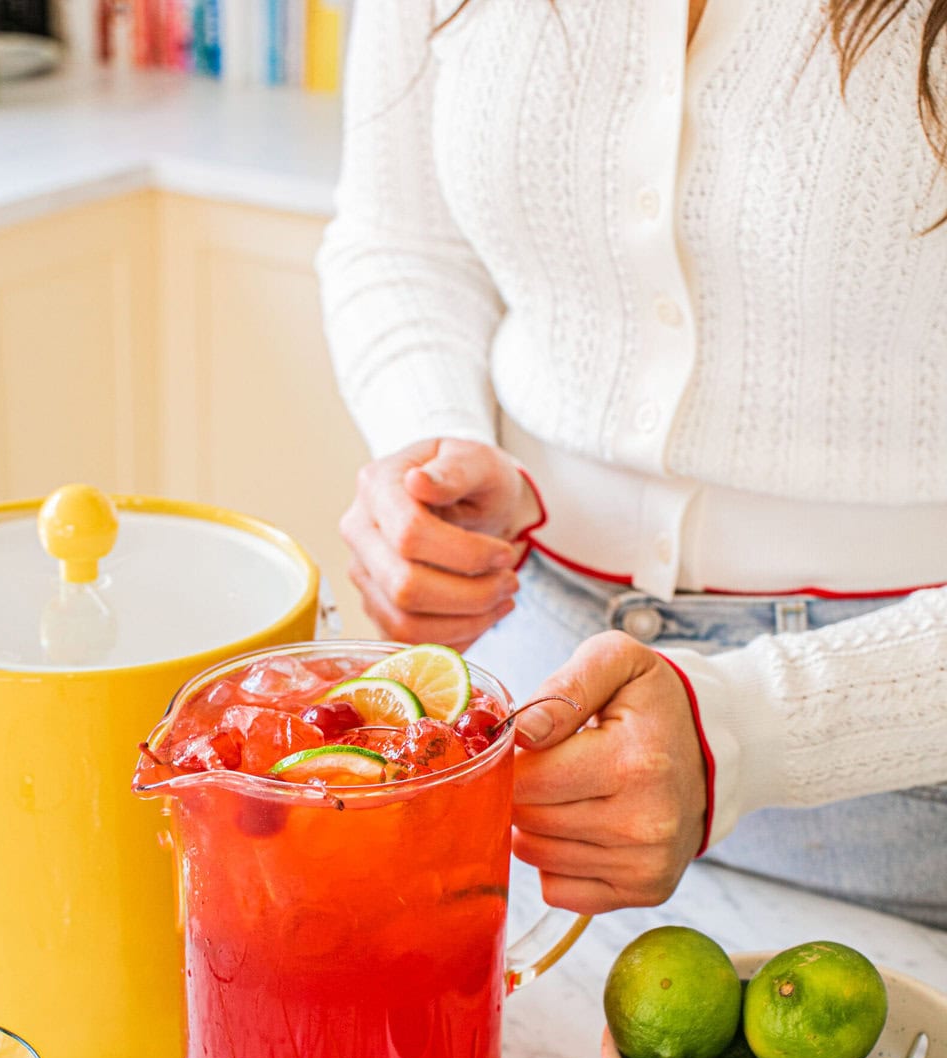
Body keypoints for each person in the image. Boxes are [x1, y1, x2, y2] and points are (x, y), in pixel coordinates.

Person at [316, 0, 947, 928]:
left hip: (898, 757)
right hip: (523, 694)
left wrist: (744, 730)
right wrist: (429, 447)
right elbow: (402, 238)